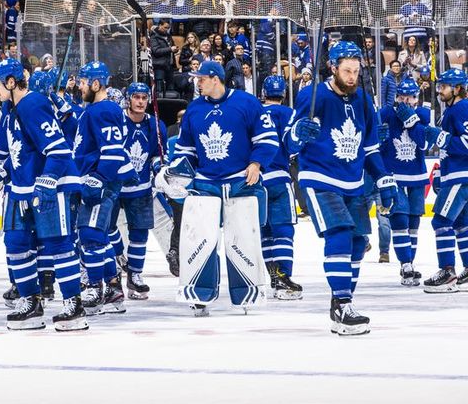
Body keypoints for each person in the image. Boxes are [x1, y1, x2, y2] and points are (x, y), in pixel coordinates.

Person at [288, 42, 397, 334]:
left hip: (353, 181)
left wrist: (383, 178)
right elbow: (288, 141)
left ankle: (343, 303)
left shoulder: (363, 99)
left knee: (358, 242)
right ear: (333, 68)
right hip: (319, 177)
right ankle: (342, 303)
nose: (352, 77)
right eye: (347, 71)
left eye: (356, 71)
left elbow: (370, 147)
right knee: (340, 233)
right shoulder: (313, 96)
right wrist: (298, 132)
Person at [0, 58, 87, 331]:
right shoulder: (13, 110)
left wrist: (48, 181)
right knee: (15, 243)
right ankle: (31, 302)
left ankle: (73, 305)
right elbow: (9, 153)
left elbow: (58, 150)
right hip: (22, 189)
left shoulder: (33, 104)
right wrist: (0, 175)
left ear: (11, 82)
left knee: (58, 244)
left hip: (52, 186)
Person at [166, 60, 279, 317]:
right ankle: (199, 294)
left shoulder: (246, 103)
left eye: (201, 78)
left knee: (242, 240)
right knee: (201, 240)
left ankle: (246, 291)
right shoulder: (194, 109)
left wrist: (257, 163)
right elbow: (186, 150)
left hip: (241, 182)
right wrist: (178, 172)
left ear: (215, 79)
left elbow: (267, 138)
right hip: (205, 184)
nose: (198, 83)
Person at [73, 61, 138, 314]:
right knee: (99, 235)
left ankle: (95, 287)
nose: (79, 86)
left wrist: (98, 178)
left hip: (101, 182)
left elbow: (112, 151)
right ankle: (112, 288)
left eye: (83, 82)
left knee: (90, 234)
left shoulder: (104, 109)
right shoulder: (93, 110)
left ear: (96, 84)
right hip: (95, 179)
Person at [115, 83, 167, 301]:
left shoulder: (156, 125)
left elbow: (156, 154)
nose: (140, 102)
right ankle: (117, 263)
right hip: (115, 186)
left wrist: (159, 167)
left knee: (140, 233)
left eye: (144, 98)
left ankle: (135, 275)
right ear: (128, 99)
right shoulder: (117, 121)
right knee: (106, 230)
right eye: (136, 97)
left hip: (141, 187)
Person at [379, 78, 433, 286]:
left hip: (417, 175)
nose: (406, 101)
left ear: (416, 98)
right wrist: (378, 136)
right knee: (399, 218)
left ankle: (409, 262)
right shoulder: (386, 113)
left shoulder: (423, 114)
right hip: (394, 175)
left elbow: (425, 144)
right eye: (402, 96)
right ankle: (406, 264)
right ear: (397, 97)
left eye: (410, 97)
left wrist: (412, 122)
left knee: (413, 221)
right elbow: (373, 140)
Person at [422, 68, 468, 292]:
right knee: (461, 223)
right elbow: (446, 150)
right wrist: (440, 174)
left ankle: (447, 272)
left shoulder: (462, 108)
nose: (440, 90)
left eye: (444, 87)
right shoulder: (452, 110)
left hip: (460, 176)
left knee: (441, 222)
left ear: (457, 89)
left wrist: (442, 138)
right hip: (455, 175)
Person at [260, 75, 302, 300]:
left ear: (264, 93)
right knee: (284, 230)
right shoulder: (290, 113)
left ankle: (274, 277)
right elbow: (293, 146)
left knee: (265, 231)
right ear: (284, 93)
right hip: (279, 178)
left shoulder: (254, 113)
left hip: (256, 181)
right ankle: (284, 278)